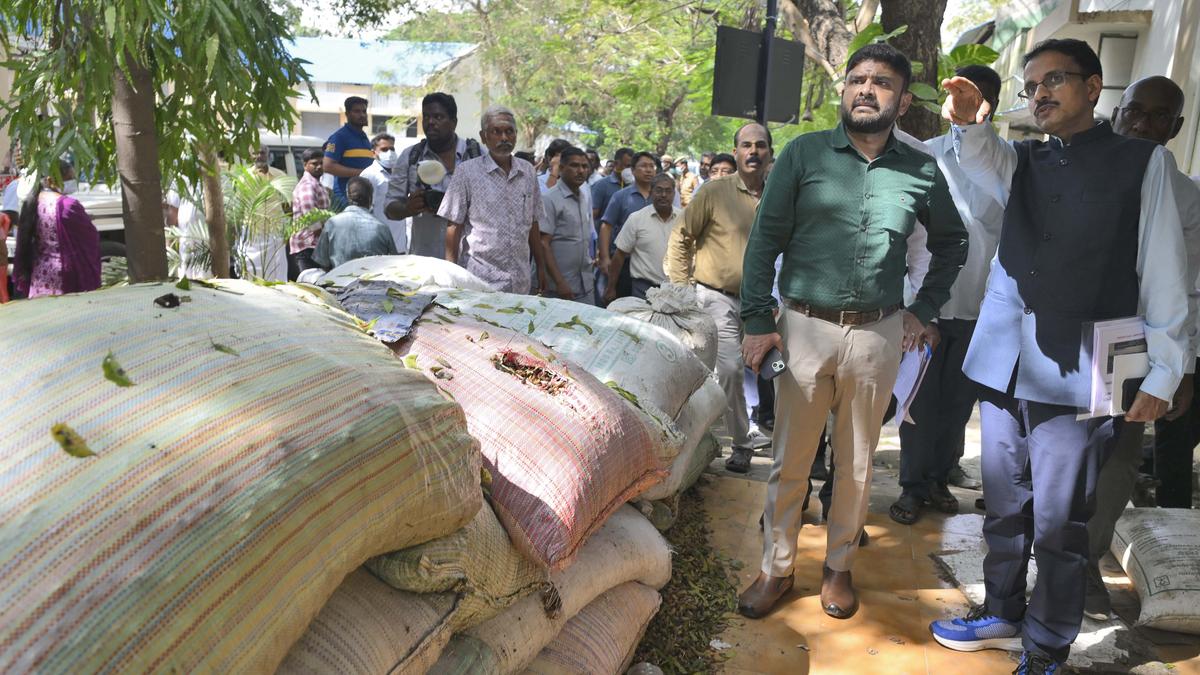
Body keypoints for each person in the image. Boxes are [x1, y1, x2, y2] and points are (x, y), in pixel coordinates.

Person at [929, 39, 1189, 673]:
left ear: (1094, 87)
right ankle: (1003, 610)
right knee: (1003, 503)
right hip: (1003, 357)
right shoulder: (1022, 158)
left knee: (1060, 519)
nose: (1039, 93)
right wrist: (968, 122)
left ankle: (1046, 645)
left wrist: (1165, 368)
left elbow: (1162, 269)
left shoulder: (1143, 162)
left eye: (1054, 80)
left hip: (1086, 364)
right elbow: (982, 157)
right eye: (1031, 84)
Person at [736, 43, 967, 623]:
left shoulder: (920, 169)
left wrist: (924, 309)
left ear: (903, 101)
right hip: (803, 329)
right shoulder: (804, 153)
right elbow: (764, 241)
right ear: (844, 90)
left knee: (858, 462)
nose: (866, 89)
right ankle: (776, 568)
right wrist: (758, 321)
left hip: (877, 334)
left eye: (882, 82)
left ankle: (838, 567)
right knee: (790, 459)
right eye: (857, 79)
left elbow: (953, 243)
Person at [1081, 75, 1200, 622]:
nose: (1144, 124)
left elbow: (1188, 290)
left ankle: (1084, 564)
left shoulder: (1187, 197)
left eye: (1159, 116)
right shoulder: (1079, 165)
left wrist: (1182, 369)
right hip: (1065, 337)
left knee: (1117, 459)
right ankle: (1038, 555)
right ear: (1116, 113)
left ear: (1176, 128)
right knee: (1046, 456)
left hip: (1133, 347)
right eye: (1135, 111)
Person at [888, 64, 1005, 527]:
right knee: (918, 402)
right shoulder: (926, 156)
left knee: (957, 406)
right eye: (960, 94)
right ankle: (912, 487)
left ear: (992, 105)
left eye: (980, 96)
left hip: (981, 311)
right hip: (927, 307)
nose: (968, 102)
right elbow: (910, 239)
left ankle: (938, 481)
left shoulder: (1008, 165)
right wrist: (921, 310)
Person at [668, 123, 779, 474]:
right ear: (736, 152)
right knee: (730, 370)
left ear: (770, 153)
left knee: (780, 371)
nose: (753, 151)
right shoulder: (714, 192)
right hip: (719, 298)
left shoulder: (781, 193)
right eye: (746, 145)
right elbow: (681, 236)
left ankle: (791, 446)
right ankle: (742, 444)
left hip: (770, 304)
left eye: (760, 145)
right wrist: (682, 289)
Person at [438, 105, 546, 294]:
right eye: (496, 131)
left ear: (516, 135)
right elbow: (454, 226)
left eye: (509, 131)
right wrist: (451, 274)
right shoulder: (467, 172)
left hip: (520, 281)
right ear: (483, 137)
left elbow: (533, 223)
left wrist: (541, 268)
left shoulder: (528, 171)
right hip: (479, 281)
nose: (504, 138)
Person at [385, 93, 483, 259]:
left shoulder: (478, 155)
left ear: (453, 122)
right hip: (425, 257)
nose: (430, 122)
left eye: (438, 117)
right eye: (426, 116)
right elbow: (389, 208)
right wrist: (407, 208)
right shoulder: (410, 157)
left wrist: (457, 207)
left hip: (470, 258)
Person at [12, 159, 101, 298]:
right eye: (69, 178)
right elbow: (90, 239)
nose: (72, 182)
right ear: (50, 180)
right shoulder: (67, 205)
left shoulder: (34, 201)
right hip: (65, 278)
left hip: (40, 277)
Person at [608, 173, 678, 302]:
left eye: (668, 191)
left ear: (674, 194)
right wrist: (611, 287)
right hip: (643, 290)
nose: (663, 195)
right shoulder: (636, 219)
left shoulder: (683, 219)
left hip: (675, 291)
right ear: (651, 193)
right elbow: (619, 255)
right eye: (659, 190)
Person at [599, 151, 658, 301]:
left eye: (652, 166)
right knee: (622, 303)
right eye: (643, 166)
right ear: (632, 170)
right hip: (623, 262)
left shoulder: (660, 198)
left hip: (651, 263)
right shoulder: (621, 196)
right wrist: (604, 257)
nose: (648, 170)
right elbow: (606, 226)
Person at [539, 146, 595, 304]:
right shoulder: (550, 199)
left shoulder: (583, 196)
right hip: (558, 287)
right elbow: (543, 243)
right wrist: (560, 282)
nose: (581, 171)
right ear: (562, 168)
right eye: (575, 166)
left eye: (584, 166)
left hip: (584, 284)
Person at [312, 177, 398, 270]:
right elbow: (393, 263)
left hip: (339, 278)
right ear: (370, 198)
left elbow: (323, 262)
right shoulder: (382, 228)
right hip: (374, 277)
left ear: (348, 196)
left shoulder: (332, 224)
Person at [358, 132, 408, 253]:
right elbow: (364, 212)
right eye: (384, 149)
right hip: (379, 245)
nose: (389, 153)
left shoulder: (397, 174)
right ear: (373, 153)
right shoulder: (369, 175)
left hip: (399, 243)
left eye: (392, 149)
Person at [323, 96, 374, 207]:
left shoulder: (364, 138)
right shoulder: (339, 137)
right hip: (345, 200)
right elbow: (328, 166)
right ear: (347, 114)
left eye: (364, 111)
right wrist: (363, 173)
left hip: (364, 200)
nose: (362, 115)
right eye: (357, 111)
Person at [288, 148, 331, 278]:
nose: (319, 166)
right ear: (305, 165)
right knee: (310, 284)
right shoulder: (308, 185)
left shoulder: (316, 183)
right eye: (314, 163)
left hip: (313, 245)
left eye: (321, 163)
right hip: (307, 245)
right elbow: (311, 218)